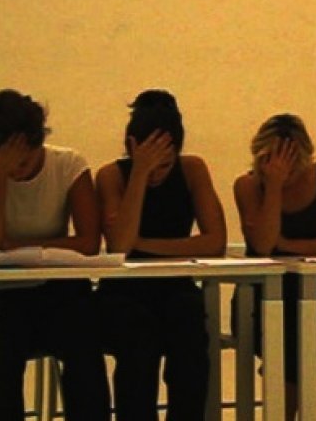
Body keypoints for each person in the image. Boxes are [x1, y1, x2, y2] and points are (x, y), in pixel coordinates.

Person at [0, 89, 110, 421]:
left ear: (39, 144)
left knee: (84, 343)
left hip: (60, 288)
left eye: (24, 162)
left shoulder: (68, 164)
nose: (18, 171)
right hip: (3, 293)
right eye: (8, 163)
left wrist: (16, 246)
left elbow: (89, 242)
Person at [95, 90, 227, 421]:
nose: (158, 174)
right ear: (131, 148)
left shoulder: (192, 169)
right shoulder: (112, 175)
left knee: (190, 330)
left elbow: (214, 242)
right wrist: (139, 175)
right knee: (138, 337)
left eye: (165, 165)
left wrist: (145, 244)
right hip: (122, 291)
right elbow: (119, 246)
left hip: (174, 285)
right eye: (149, 165)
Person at [233, 113, 316, 421]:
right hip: (262, 295)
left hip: (310, 291)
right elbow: (264, 245)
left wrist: (290, 246)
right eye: (272, 159)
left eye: (291, 161)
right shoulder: (248, 185)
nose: (283, 168)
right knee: (288, 355)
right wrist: (274, 187)